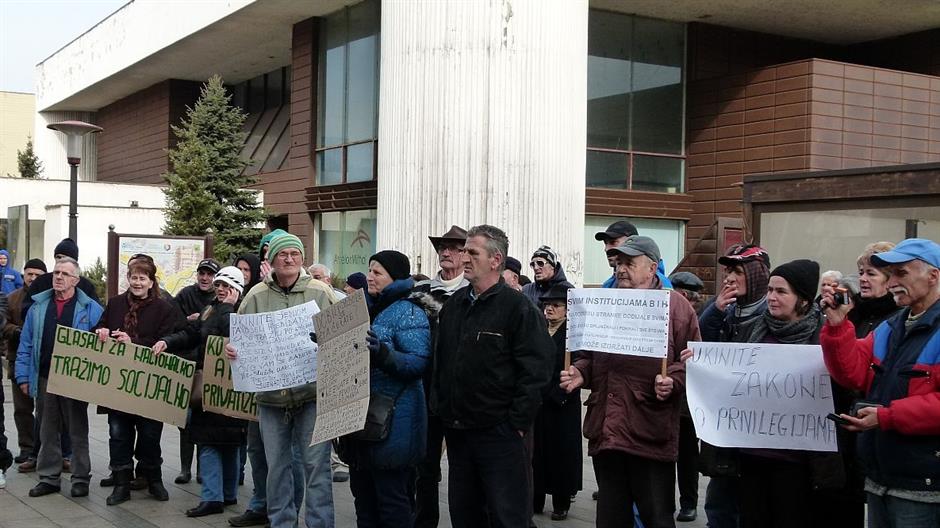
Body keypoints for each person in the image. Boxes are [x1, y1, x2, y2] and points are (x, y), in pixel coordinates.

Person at [560, 236, 699, 528]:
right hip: (607, 428)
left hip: (648, 428)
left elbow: (693, 361)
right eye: (618, 262)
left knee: (656, 516)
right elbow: (588, 353)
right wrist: (581, 372)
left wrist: (672, 381)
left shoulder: (676, 307)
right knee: (610, 516)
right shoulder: (605, 302)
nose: (621, 269)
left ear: (652, 268)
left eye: (629, 262)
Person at [431, 224, 555, 528]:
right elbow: (442, 363)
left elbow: (537, 370)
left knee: (507, 515)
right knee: (465, 513)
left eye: (472, 252)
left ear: (495, 260)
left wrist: (516, 423)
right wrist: (441, 407)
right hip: (459, 432)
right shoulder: (454, 307)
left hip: (499, 434)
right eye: (464, 251)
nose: (464, 257)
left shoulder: (518, 309)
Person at [820, 238, 940, 528]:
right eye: (891, 273)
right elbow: (853, 373)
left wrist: (885, 417)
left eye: (901, 273)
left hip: (926, 487)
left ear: (933, 276)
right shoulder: (893, 325)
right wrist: (837, 327)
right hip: (880, 478)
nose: (893, 281)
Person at [224, 233, 338, 528]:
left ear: (301, 258)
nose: (289, 259)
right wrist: (233, 350)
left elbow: (340, 336)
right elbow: (240, 340)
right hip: (272, 399)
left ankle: (319, 524)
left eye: (294, 254)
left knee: (317, 468)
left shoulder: (320, 292)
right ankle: (282, 523)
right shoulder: (256, 295)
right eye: (282, 254)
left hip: (312, 395)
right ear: (271, 259)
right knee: (276, 468)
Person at [733, 259, 827, 528]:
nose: (771, 298)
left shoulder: (821, 336)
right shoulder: (753, 330)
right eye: (770, 290)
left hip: (798, 461)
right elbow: (729, 374)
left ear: (804, 300)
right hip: (752, 456)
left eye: (781, 292)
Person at [344, 250, 432, 527]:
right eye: (369, 270)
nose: (370, 277)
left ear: (394, 277)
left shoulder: (409, 311)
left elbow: (418, 363)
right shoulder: (366, 308)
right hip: (363, 418)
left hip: (394, 420)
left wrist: (383, 353)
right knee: (364, 498)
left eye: (377, 272)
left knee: (392, 500)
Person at [154, 266, 247, 517]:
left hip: (231, 391)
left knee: (224, 443)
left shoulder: (240, 309)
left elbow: (236, 333)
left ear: (237, 289)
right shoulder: (210, 310)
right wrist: (169, 342)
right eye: (218, 285)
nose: (220, 290)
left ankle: (217, 497)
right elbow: (193, 334)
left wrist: (227, 307)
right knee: (212, 441)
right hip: (211, 387)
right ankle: (219, 495)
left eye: (227, 286)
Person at [95, 256, 183, 505]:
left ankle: (153, 479)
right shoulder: (114, 304)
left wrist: (133, 343)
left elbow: (167, 340)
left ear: (150, 281)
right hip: (118, 384)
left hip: (149, 384)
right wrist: (100, 331)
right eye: (133, 277)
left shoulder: (164, 308)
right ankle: (121, 483)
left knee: (150, 435)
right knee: (118, 434)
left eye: (142, 278)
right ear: (128, 279)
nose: (137, 282)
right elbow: (100, 326)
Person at [694, 244, 771, 527]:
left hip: (759, 430)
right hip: (726, 425)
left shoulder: (771, 313)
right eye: (727, 271)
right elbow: (700, 344)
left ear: (756, 275)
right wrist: (713, 311)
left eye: (737, 271)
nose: (728, 278)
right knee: (719, 502)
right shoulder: (724, 310)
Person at [16, 257, 104, 498]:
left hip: (75, 380)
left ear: (75, 280)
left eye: (64, 274)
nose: (58, 277)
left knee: (77, 430)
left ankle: (80, 478)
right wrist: (23, 376)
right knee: (47, 429)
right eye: (56, 273)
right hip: (45, 377)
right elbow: (25, 344)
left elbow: (102, 347)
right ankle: (49, 477)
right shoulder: (38, 307)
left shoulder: (91, 309)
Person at [412, 224, 469, 528]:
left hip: (459, 393)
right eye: (442, 248)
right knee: (425, 465)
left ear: (465, 254)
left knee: (462, 467)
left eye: (454, 248)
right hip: (423, 388)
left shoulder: (473, 293)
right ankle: (424, 521)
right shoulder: (420, 292)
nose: (445, 253)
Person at [532, 284, 581, 521]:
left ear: (567, 309)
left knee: (561, 453)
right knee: (537, 452)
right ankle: (536, 497)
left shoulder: (574, 336)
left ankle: (561, 502)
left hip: (562, 402)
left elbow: (578, 368)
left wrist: (558, 393)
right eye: (546, 305)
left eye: (556, 305)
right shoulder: (539, 330)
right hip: (538, 402)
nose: (549, 309)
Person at [172, 258, 220, 485]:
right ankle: (184, 469)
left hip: (207, 366)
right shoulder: (185, 295)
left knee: (203, 419)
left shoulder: (217, 298)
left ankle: (202, 469)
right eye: (202, 273)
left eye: (210, 274)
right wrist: (189, 321)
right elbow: (173, 322)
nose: (205, 278)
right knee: (185, 420)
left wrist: (199, 321)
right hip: (185, 365)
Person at [3, 259, 46, 466]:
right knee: (22, 408)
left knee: (46, 409)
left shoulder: (48, 297)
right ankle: (26, 448)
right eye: (29, 274)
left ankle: (43, 449)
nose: (33, 278)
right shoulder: (12, 298)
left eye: (38, 274)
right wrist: (17, 331)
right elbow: (3, 325)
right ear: (23, 275)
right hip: (17, 358)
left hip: (44, 362)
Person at [595, 221, 672, 288]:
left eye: (613, 242)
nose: (606, 249)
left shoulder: (662, 287)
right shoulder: (609, 284)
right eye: (619, 263)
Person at [848, 242, 900, 337]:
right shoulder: (854, 313)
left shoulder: (899, 318)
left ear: (890, 279)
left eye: (871, 274)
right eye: (861, 273)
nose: (862, 279)